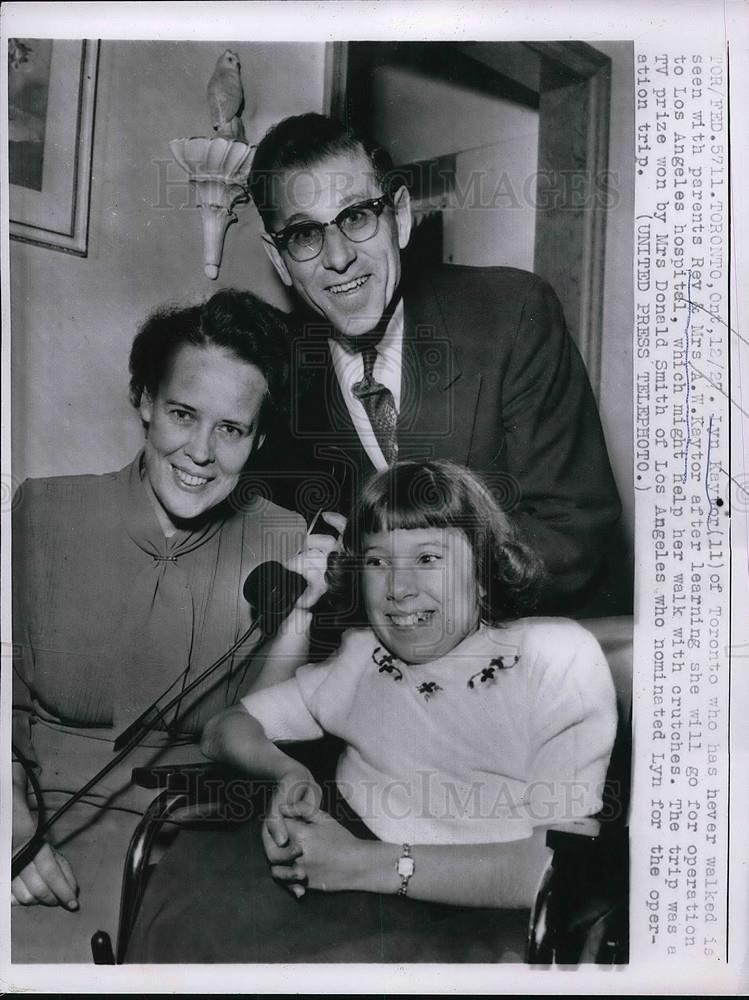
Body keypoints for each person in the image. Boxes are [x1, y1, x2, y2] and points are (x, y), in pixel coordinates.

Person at [126, 459, 617, 963]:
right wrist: (287, 774)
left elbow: (553, 868)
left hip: (474, 907)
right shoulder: (362, 655)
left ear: (487, 571)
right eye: (379, 562)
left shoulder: (556, 656)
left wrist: (361, 864)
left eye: (428, 558)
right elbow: (225, 729)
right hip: (341, 861)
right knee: (190, 899)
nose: (398, 588)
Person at [10, 289, 336, 962]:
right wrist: (9, 823)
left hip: (197, 850)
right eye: (183, 415)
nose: (200, 452)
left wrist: (303, 612)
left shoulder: (282, 537)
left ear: (259, 438)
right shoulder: (45, 511)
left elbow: (258, 720)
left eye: (232, 429)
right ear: (145, 403)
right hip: (35, 833)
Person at [247, 112, 624, 617]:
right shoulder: (278, 375)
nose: (337, 258)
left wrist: (404, 579)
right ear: (279, 260)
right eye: (304, 235)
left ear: (399, 217)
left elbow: (574, 531)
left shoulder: (512, 314)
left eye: (357, 216)